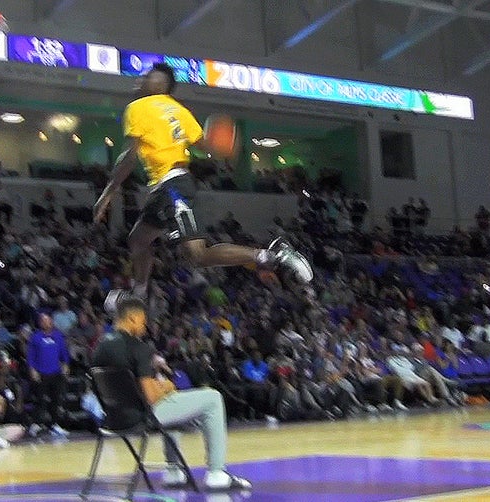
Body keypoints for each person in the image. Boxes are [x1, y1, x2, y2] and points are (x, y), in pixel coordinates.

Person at [92, 63, 312, 310]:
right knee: (138, 240)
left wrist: (107, 194)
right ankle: (139, 295)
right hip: (168, 186)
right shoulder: (179, 110)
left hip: (172, 185)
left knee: (197, 255)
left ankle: (270, 255)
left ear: (158, 84)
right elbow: (204, 146)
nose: (139, 79)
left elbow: (129, 157)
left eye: (145, 76)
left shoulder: (138, 107)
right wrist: (223, 143)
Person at [91, 298, 251, 491]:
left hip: (113, 420)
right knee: (213, 397)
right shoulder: (138, 347)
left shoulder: (100, 347)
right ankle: (217, 472)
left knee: (171, 404)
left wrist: (158, 388)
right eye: (143, 321)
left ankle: (174, 471)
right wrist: (165, 387)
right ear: (133, 318)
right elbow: (150, 398)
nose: (145, 326)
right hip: (141, 418)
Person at [26, 314, 70, 438]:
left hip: (55, 373)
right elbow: (31, 356)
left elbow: (64, 354)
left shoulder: (58, 336)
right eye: (43, 321)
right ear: (40, 323)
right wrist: (32, 369)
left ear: (51, 322)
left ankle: (54, 425)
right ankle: (36, 424)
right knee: (40, 400)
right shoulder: (35, 337)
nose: (46, 323)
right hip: (41, 373)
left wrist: (66, 365)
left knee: (56, 399)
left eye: (47, 320)